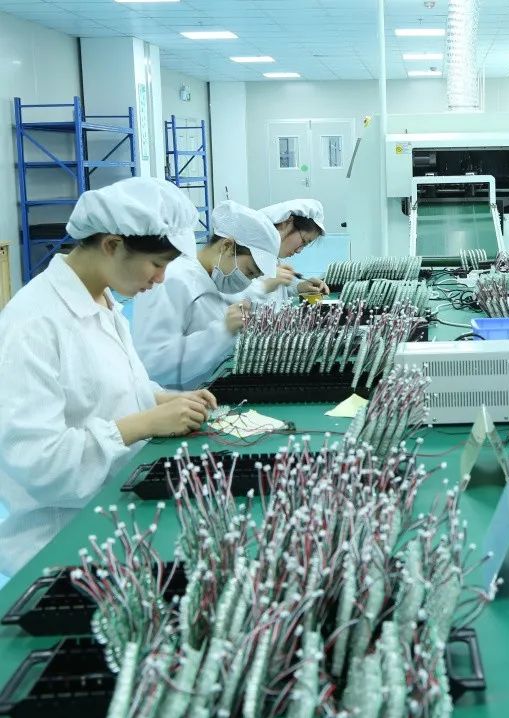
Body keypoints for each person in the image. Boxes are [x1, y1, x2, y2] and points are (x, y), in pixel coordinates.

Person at [0, 177, 217, 576]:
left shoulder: (103, 300)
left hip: (113, 515)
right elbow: (38, 463)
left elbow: (111, 388)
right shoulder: (33, 325)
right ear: (113, 245)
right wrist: (144, 423)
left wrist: (162, 399)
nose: (160, 279)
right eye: (157, 264)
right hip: (61, 548)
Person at [132, 200, 280, 390]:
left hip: (206, 389)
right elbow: (153, 364)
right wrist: (223, 331)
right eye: (250, 272)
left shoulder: (217, 279)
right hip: (176, 398)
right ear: (227, 246)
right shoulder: (173, 280)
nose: (247, 281)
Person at [241, 198, 330, 305]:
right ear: (287, 222)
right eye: (303, 241)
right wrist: (264, 286)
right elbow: (230, 299)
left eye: (305, 245)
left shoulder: (274, 255)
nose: (299, 251)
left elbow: (277, 293)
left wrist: (299, 287)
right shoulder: (244, 252)